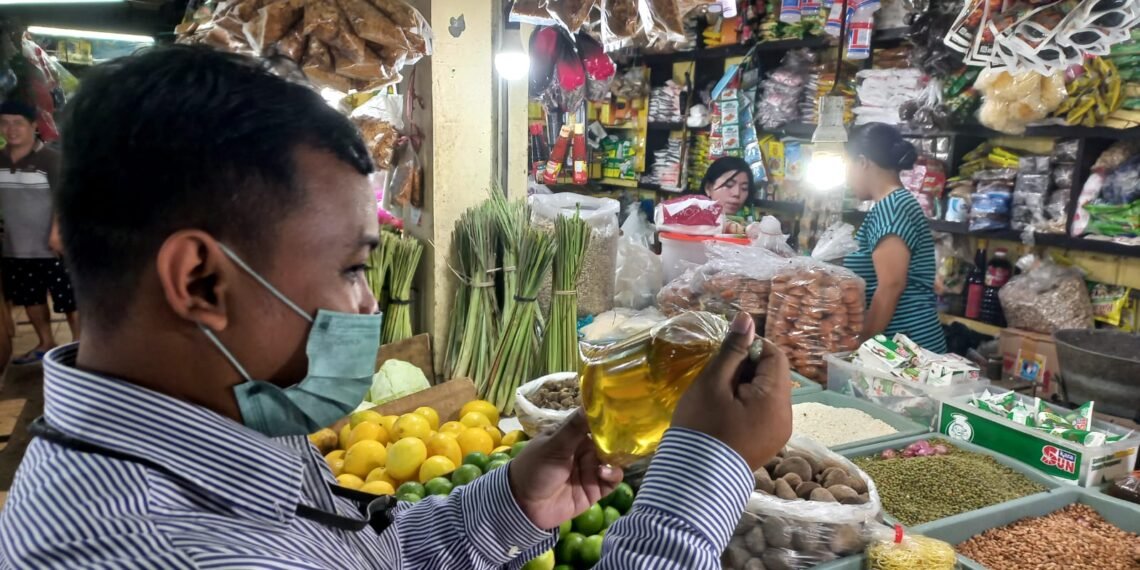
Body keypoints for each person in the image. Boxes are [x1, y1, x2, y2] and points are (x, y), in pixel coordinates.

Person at [0, 46, 793, 568]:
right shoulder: (145, 549)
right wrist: (703, 471)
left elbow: (358, 557)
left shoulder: (230, 422)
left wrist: (511, 501)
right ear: (202, 280)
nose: (370, 303)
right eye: (351, 267)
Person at [843, 123, 947, 352]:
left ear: (862, 162)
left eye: (847, 166)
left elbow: (891, 285)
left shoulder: (892, 208)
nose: (846, 177)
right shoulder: (894, 204)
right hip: (902, 345)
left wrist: (861, 344)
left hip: (906, 348)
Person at [0, 100, 78, 364]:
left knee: (69, 299)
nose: (11, 129)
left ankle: (81, 348)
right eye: (5, 123)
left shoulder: (50, 159)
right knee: (30, 298)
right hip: (16, 246)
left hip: (53, 245)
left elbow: (63, 199)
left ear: (33, 126)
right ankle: (45, 343)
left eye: (18, 123)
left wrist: (57, 233)